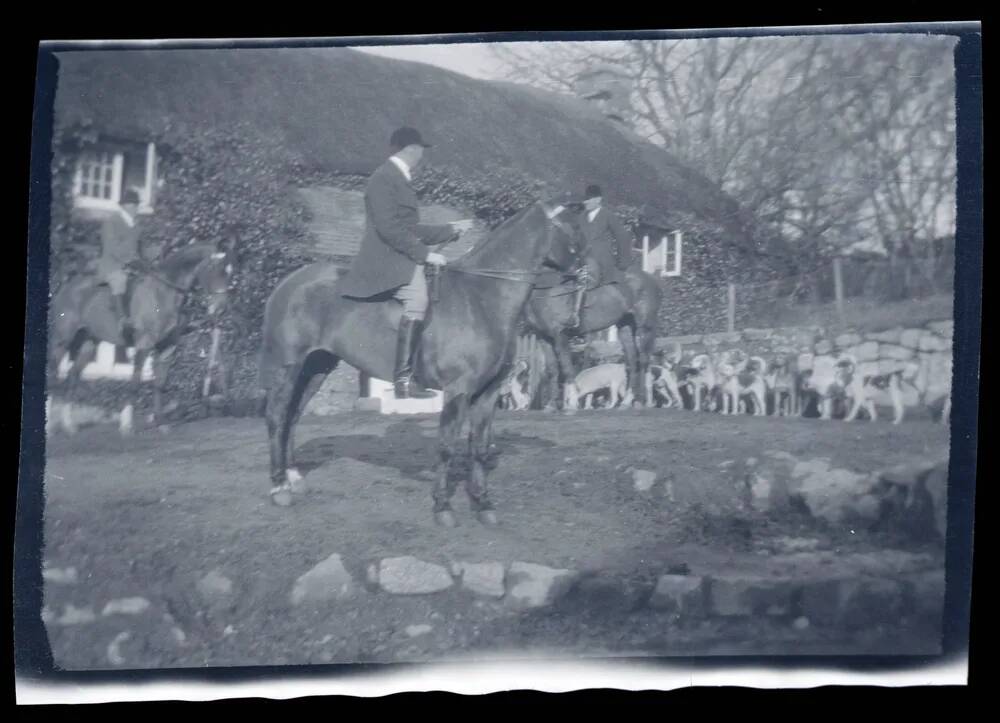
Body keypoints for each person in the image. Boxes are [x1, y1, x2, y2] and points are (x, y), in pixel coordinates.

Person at [338, 127, 474, 399]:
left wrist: (450, 229)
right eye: (421, 149)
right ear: (411, 149)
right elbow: (389, 229)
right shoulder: (383, 179)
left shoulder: (398, 178)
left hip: (397, 253)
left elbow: (410, 228)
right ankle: (403, 380)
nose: (422, 155)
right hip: (384, 259)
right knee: (417, 298)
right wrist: (426, 255)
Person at [570, 184, 635, 328]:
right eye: (584, 200)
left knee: (595, 282)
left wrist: (623, 261)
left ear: (598, 200)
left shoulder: (607, 215)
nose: (585, 202)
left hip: (602, 259)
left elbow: (622, 236)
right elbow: (575, 238)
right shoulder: (580, 217)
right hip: (583, 259)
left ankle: (579, 321)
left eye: (588, 199)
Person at [98, 188, 143, 343]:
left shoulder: (136, 225)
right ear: (125, 206)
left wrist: (140, 262)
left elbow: (136, 250)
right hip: (112, 266)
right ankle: (122, 321)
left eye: (136, 205)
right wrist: (128, 261)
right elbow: (111, 247)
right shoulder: (111, 221)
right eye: (133, 205)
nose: (136, 208)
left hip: (131, 266)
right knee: (120, 280)